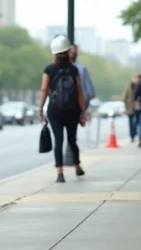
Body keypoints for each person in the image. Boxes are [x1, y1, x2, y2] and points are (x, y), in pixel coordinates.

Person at [39, 35, 89, 183]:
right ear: (68, 52)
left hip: (55, 110)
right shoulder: (74, 70)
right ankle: (77, 166)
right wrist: (82, 110)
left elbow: (43, 89)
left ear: (54, 53)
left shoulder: (49, 69)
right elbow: (80, 91)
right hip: (72, 110)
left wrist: (40, 108)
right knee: (72, 140)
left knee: (58, 141)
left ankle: (60, 173)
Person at [123, 74, 141, 142]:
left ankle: (136, 133)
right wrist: (126, 107)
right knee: (131, 123)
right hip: (130, 108)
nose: (136, 80)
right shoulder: (129, 87)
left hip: (137, 108)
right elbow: (124, 97)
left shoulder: (140, 86)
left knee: (137, 122)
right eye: (135, 79)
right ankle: (132, 136)